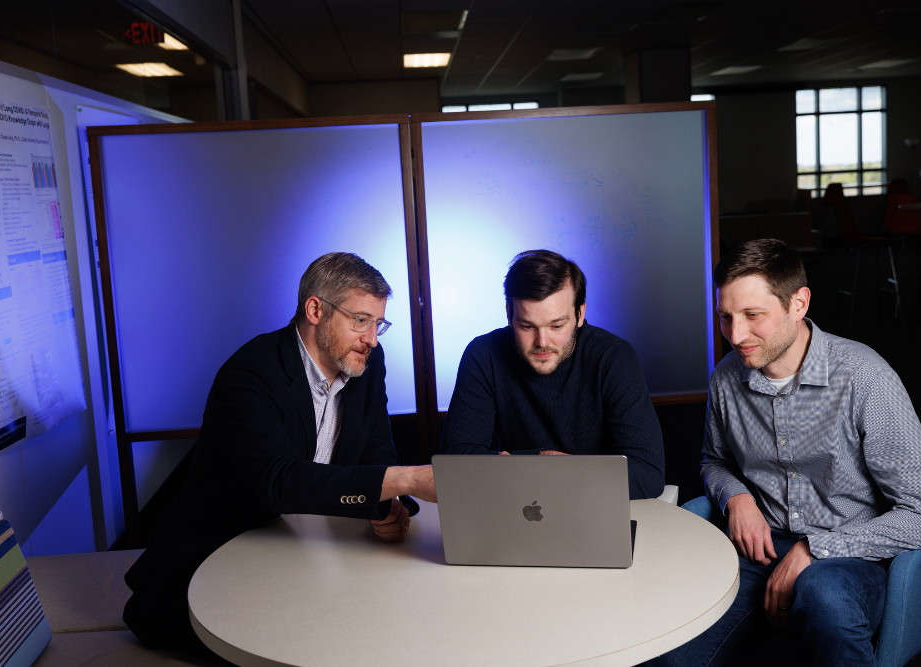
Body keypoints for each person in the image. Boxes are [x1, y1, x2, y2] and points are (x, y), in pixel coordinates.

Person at [651, 239, 921, 667]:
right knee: (666, 648)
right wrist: (736, 498)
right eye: (725, 317)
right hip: (759, 550)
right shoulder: (725, 378)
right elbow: (715, 461)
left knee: (823, 594)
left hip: (850, 556)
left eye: (753, 315)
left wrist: (816, 549)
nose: (736, 336)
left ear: (798, 303)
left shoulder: (865, 377)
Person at [123, 252, 436, 658]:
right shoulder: (249, 373)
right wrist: (408, 479)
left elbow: (375, 449)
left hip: (307, 552)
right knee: (310, 651)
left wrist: (383, 510)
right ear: (316, 310)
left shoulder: (366, 364)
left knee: (389, 632)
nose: (372, 339)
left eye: (378, 324)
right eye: (360, 320)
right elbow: (283, 482)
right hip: (217, 560)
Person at [441, 249, 665, 499]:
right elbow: (456, 464)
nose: (542, 342)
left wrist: (520, 465)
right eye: (527, 326)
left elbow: (648, 475)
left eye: (556, 325)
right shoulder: (484, 355)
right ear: (509, 314)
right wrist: (543, 460)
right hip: (516, 501)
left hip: (592, 504)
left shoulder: (613, 358)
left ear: (580, 314)